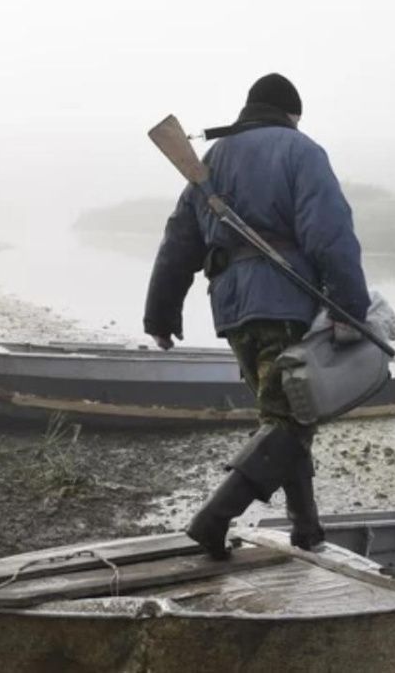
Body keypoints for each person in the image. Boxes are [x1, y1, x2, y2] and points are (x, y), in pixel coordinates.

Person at [144, 73, 371, 559]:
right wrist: (350, 308)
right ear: (292, 115)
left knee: (285, 417)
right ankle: (213, 519)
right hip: (285, 304)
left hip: (232, 311)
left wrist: (161, 315)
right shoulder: (301, 152)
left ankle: (307, 531)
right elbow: (330, 234)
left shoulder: (212, 161)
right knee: (290, 422)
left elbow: (178, 240)